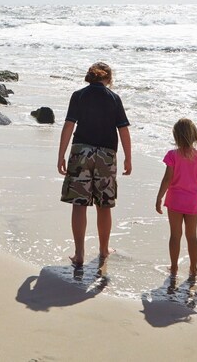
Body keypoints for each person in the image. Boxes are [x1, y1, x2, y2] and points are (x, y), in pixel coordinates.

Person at [57, 62, 132, 271]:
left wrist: (61, 155)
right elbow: (123, 130)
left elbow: (69, 125)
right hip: (106, 154)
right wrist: (128, 157)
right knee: (104, 205)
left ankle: (79, 253)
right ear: (108, 78)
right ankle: (104, 250)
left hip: (81, 152)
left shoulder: (78, 95)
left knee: (79, 204)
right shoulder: (114, 99)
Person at [155, 118, 197, 279]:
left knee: (175, 235)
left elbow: (167, 178)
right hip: (192, 202)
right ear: (194, 136)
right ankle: (193, 268)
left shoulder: (172, 155)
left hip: (174, 201)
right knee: (192, 236)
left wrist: (159, 197)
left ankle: (174, 267)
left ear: (176, 137)